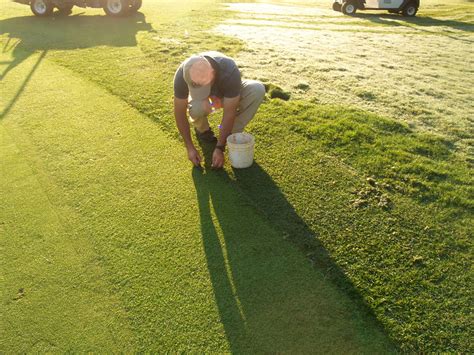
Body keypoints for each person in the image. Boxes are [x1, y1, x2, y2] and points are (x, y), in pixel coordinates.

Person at [173, 51, 265, 169]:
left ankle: (231, 134)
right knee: (195, 108)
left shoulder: (229, 70)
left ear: (212, 72)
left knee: (256, 89)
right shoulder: (182, 73)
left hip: (228, 94)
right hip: (207, 101)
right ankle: (203, 130)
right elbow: (179, 112)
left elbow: (229, 113)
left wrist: (220, 147)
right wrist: (189, 147)